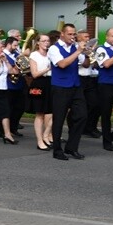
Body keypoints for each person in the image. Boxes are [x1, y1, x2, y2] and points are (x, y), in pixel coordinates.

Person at [48, 23, 86, 160]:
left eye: (74, 34)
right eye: (70, 34)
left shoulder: (75, 47)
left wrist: (87, 53)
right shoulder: (53, 48)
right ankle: (57, 150)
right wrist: (78, 52)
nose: (72, 37)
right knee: (59, 119)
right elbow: (62, 64)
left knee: (82, 115)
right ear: (62, 34)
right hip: (60, 87)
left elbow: (85, 64)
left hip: (75, 86)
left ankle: (71, 147)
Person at [27, 33, 54, 150]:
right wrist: (48, 68)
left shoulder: (51, 54)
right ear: (38, 42)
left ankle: (46, 135)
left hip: (51, 83)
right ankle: (39, 141)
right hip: (39, 83)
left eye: (48, 41)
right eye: (43, 41)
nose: (46, 43)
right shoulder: (34, 55)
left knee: (54, 112)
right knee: (40, 114)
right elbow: (34, 74)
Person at [76, 30, 102, 138]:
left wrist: (94, 55)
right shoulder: (76, 49)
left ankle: (90, 127)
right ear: (79, 38)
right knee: (79, 106)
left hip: (90, 78)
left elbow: (95, 65)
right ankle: (78, 127)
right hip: (79, 78)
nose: (88, 38)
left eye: (88, 36)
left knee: (95, 103)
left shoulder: (89, 49)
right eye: (85, 36)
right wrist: (87, 54)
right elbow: (85, 65)